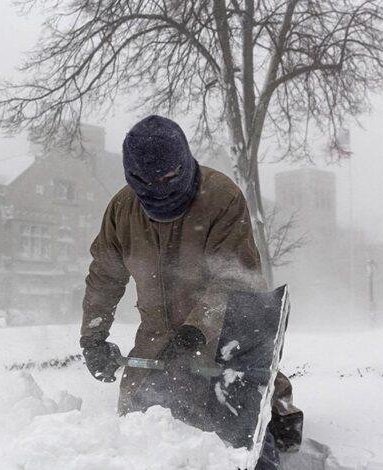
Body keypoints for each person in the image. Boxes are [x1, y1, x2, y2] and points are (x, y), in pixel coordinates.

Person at [78, 115, 303, 467]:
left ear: (184, 162)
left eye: (169, 177)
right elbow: (104, 276)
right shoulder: (122, 210)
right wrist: (93, 337)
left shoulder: (221, 198)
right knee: (139, 427)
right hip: (155, 343)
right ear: (132, 178)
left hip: (221, 335)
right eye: (148, 182)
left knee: (237, 427)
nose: (161, 188)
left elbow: (235, 278)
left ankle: (274, 415)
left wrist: (197, 330)